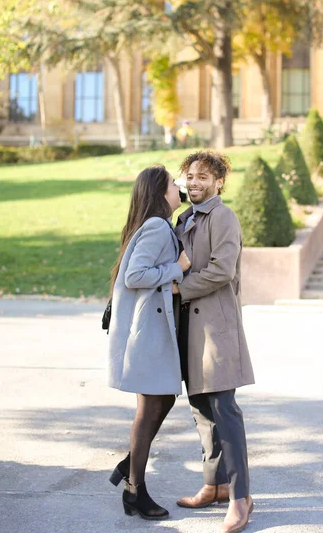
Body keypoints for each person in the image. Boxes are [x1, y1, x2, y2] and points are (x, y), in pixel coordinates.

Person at [173, 151, 255, 533]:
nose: (194, 182)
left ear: (219, 182)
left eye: (203, 176)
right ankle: (214, 485)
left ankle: (240, 497)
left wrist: (180, 289)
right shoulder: (183, 218)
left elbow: (222, 269)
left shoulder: (223, 217)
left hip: (217, 328)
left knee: (224, 410)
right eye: (189, 175)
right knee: (201, 409)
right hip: (190, 329)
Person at [107, 165, 191, 521]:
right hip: (148, 334)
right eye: (174, 185)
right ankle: (134, 491)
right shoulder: (156, 226)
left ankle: (130, 465)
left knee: (163, 399)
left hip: (152, 332)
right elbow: (135, 275)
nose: (179, 189)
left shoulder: (155, 226)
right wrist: (179, 268)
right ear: (160, 193)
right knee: (149, 408)